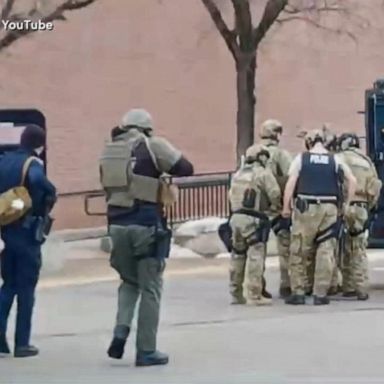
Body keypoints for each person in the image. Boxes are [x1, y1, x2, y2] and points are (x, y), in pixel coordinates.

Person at [101, 108, 193, 366]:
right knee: (151, 287)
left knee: (128, 281)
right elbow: (185, 167)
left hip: (116, 226)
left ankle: (121, 329)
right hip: (145, 226)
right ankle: (146, 350)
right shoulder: (152, 145)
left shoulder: (109, 151)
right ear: (146, 128)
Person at [0, 124, 56, 357]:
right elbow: (44, 187)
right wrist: (50, 194)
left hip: (6, 231)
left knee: (8, 285)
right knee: (26, 288)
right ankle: (22, 343)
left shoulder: (4, 161)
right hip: (27, 234)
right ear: (39, 145)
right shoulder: (32, 165)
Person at [283, 129, 356, 305]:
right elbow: (352, 180)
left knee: (300, 250)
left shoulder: (301, 159)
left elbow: (291, 183)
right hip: (330, 207)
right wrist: (346, 204)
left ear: (308, 142)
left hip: (306, 206)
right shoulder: (335, 159)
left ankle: (299, 292)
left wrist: (286, 207)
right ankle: (320, 294)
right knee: (326, 251)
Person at [228, 144, 281, 305]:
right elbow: (275, 193)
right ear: (261, 157)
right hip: (254, 219)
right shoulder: (263, 174)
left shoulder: (238, 174)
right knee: (256, 256)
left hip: (236, 218)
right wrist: (274, 208)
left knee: (237, 255)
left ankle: (236, 293)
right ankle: (254, 294)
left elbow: (230, 195)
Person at [247, 119, 293, 298]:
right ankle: (286, 285)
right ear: (277, 134)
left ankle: (258, 286)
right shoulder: (281, 154)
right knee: (285, 249)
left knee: (257, 251)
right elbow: (290, 177)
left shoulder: (253, 152)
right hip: (278, 208)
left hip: (257, 208)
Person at [337, 133, 382, 300]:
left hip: (344, 205)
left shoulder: (339, 158)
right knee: (359, 248)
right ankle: (361, 287)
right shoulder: (367, 162)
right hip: (362, 206)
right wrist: (369, 206)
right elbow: (376, 185)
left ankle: (347, 285)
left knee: (342, 247)